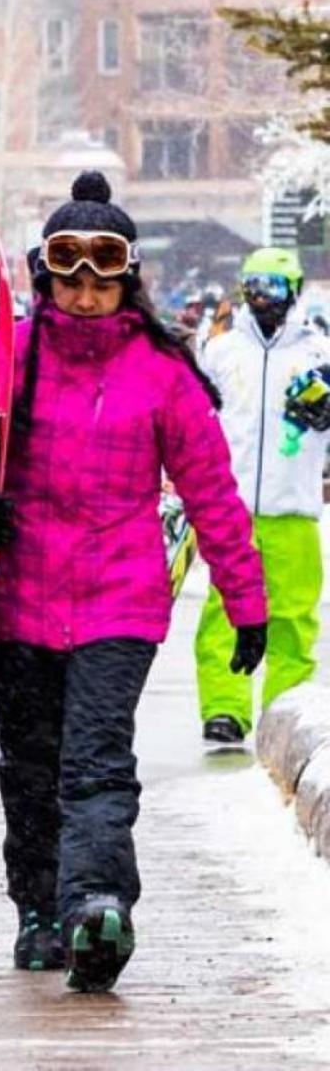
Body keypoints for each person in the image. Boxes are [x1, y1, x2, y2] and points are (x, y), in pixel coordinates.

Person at [0, 172, 265, 992]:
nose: (85, 295)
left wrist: (245, 598)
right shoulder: (4, 356)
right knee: (31, 763)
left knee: (96, 761)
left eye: (103, 278)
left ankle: (96, 902)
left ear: (128, 280)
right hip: (16, 606)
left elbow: (212, 492)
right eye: (70, 277)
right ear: (45, 276)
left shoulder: (162, 371)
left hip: (120, 603)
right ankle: (38, 908)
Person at [192, 248, 329, 743]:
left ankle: (283, 714)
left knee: (293, 617)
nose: (261, 299)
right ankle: (225, 706)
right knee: (225, 608)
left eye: (272, 288)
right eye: (252, 288)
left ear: (292, 291)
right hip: (234, 506)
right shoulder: (221, 352)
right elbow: (195, 420)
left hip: (293, 505)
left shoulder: (318, 354)